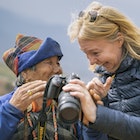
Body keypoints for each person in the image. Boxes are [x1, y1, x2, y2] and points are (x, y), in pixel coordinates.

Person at [64, 1, 140, 140]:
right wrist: (99, 102)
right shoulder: (104, 79)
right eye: (86, 54)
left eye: (95, 53)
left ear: (119, 40)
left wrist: (97, 113)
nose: (91, 61)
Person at [0, 34, 78, 140]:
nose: (58, 70)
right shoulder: (5, 106)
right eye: (49, 63)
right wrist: (11, 111)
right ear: (25, 73)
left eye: (58, 63)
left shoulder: (67, 106)